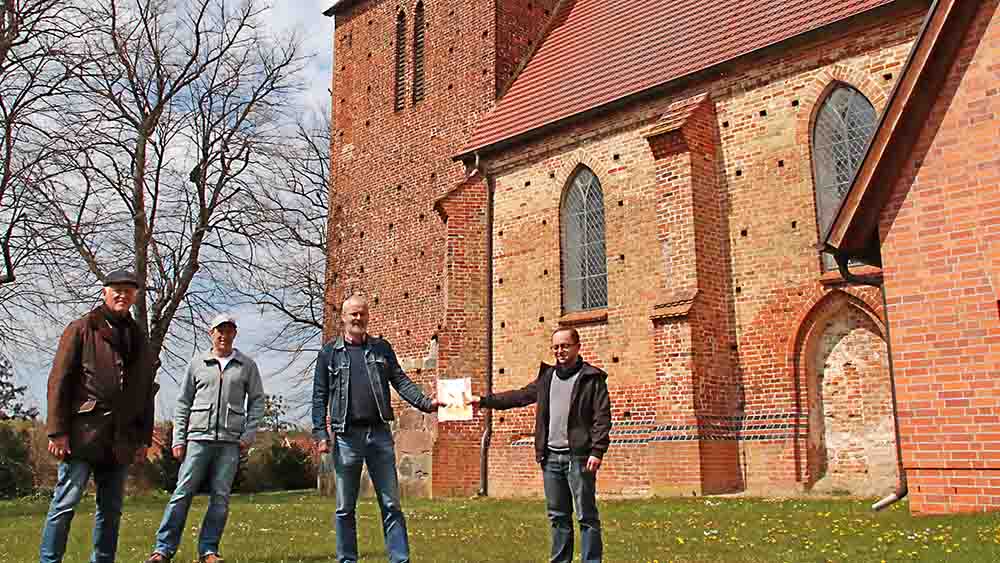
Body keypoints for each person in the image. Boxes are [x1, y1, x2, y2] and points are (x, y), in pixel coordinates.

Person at [312, 294, 444, 563]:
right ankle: (347, 560)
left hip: (379, 434)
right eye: (353, 313)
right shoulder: (329, 353)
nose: (358, 318)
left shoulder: (381, 349)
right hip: (346, 436)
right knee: (344, 507)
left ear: (368, 317)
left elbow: (401, 381)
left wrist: (426, 403)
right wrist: (321, 434)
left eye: (362, 313)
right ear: (343, 318)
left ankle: (399, 559)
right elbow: (319, 396)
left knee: (391, 503)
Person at [39, 269, 155, 563]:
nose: (122, 295)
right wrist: (57, 431)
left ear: (135, 296)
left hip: (121, 439)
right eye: (117, 290)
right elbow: (59, 380)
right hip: (83, 435)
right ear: (105, 292)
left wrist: (143, 438)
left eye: (128, 291)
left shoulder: (139, 337)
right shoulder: (81, 328)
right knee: (65, 504)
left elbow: (145, 390)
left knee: (111, 510)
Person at [468, 327, 612, 563]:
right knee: (558, 517)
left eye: (565, 346)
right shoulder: (547, 377)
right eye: (556, 347)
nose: (560, 351)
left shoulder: (591, 378)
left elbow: (602, 417)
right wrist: (484, 401)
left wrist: (597, 451)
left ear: (578, 347)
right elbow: (519, 397)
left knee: (586, 516)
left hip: (579, 458)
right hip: (551, 458)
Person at [145, 313, 265, 563]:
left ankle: (209, 551)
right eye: (220, 331)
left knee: (220, 497)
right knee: (182, 493)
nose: (224, 335)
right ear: (211, 333)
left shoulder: (247, 366)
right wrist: (179, 439)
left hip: (230, 442)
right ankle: (163, 550)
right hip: (198, 438)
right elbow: (183, 403)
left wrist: (248, 434)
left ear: (235, 334)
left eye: (229, 331)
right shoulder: (197, 363)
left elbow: (257, 402)